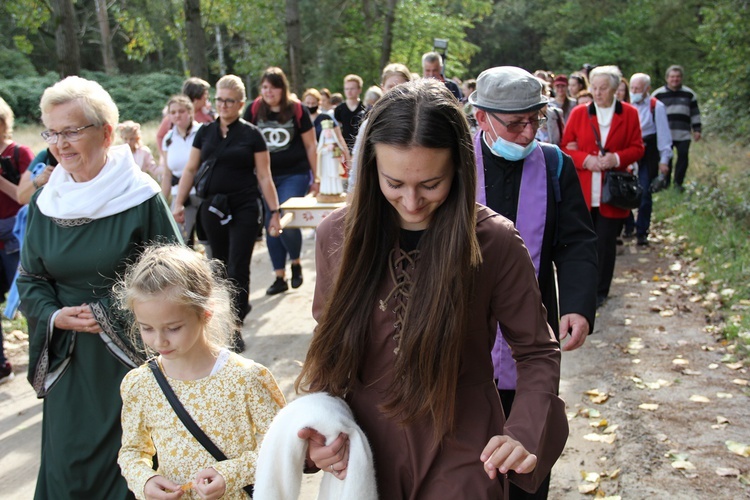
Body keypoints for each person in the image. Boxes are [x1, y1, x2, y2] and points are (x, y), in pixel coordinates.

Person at [296, 79, 568, 499]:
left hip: (465, 445)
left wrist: (524, 432)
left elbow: (536, 351)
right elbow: (329, 346)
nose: (410, 202)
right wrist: (317, 430)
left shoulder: (492, 241)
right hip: (363, 447)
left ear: (459, 169)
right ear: (371, 168)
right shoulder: (338, 234)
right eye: (394, 183)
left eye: (430, 185)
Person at [16, 76, 182, 498]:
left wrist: (110, 309)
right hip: (68, 361)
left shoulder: (140, 197)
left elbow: (173, 272)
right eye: (52, 132)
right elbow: (31, 278)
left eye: (72, 131)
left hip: (133, 359)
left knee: (136, 463)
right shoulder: (44, 202)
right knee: (69, 465)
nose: (60, 143)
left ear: (106, 133)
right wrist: (54, 314)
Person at [470, 66, 597, 500]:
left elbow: (578, 240)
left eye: (535, 119)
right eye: (515, 122)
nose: (527, 132)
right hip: (463, 333)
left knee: (527, 453)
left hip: (531, 333)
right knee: (468, 455)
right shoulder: (453, 163)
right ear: (482, 117)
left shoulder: (555, 164)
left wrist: (577, 305)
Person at [117, 244, 285, 499]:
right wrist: (145, 480)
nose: (159, 341)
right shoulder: (140, 383)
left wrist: (230, 474)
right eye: (146, 328)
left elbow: (281, 445)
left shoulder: (246, 378)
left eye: (173, 328)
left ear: (205, 313)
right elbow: (132, 451)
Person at [174, 75, 282, 351]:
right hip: (212, 207)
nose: (223, 105)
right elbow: (190, 169)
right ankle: (222, 320)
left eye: (229, 101)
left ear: (241, 104)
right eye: (219, 100)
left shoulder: (251, 135)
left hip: (244, 206)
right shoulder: (205, 132)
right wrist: (178, 202)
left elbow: (265, 176)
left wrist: (274, 212)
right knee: (218, 268)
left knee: (238, 265)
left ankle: (235, 324)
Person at [561, 65, 645, 308]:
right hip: (585, 189)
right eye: (594, 88)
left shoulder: (629, 113)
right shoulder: (579, 113)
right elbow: (566, 147)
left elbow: (638, 147)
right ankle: (581, 287)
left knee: (605, 243)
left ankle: (600, 291)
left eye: (603, 88)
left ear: (615, 89)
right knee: (582, 241)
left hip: (613, 192)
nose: (597, 93)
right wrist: (586, 159)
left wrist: (616, 159)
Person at [243, 67, 317, 297]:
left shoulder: (297, 110)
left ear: (282, 88)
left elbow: (311, 146)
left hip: (295, 173)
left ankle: (295, 260)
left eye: (273, 87)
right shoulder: (254, 110)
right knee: (270, 221)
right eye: (264, 87)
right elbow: (243, 140)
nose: (268, 92)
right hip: (265, 176)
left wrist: (318, 178)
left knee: (284, 213)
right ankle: (279, 276)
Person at [0, 97, 34, 384]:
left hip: (14, 236)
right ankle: (1, 364)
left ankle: (40, 359)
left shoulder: (19, 152)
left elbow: (25, 196)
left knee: (25, 300)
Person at [348, 63, 413, 193]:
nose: (396, 91)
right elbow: (357, 163)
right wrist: (352, 193)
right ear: (383, 88)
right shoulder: (371, 123)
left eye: (401, 86)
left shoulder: (419, 119)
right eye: (391, 87)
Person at [626, 73, 673, 246]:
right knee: (624, 188)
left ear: (647, 90)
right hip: (628, 150)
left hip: (648, 152)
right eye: (632, 88)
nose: (634, 92)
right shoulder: (625, 104)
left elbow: (663, 135)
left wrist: (664, 160)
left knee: (645, 191)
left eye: (638, 89)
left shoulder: (656, 107)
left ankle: (642, 231)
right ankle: (628, 225)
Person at [160, 95, 204, 249]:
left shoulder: (202, 132)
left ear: (190, 112)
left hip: (201, 192)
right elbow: (167, 173)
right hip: (179, 194)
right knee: (180, 242)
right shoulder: (168, 139)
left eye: (181, 111)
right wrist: (162, 203)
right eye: (173, 112)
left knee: (209, 240)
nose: (177, 115)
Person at [652, 65, 702, 190]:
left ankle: (678, 183)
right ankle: (665, 183)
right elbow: (650, 113)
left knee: (683, 157)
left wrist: (697, 129)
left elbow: (695, 113)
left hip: (683, 132)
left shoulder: (689, 94)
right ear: (667, 78)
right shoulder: (658, 95)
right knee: (666, 158)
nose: (675, 79)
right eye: (672, 77)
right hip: (664, 133)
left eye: (678, 77)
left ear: (682, 78)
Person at [155, 77, 216, 162]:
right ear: (196, 98)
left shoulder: (207, 115)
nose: (207, 97)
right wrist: (166, 158)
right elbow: (160, 136)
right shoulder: (175, 116)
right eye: (205, 94)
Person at [333, 74, 366, 151]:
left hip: (360, 147)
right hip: (343, 147)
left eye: (352, 88)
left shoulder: (364, 107)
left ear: (359, 89)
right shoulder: (339, 109)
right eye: (347, 89)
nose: (349, 91)